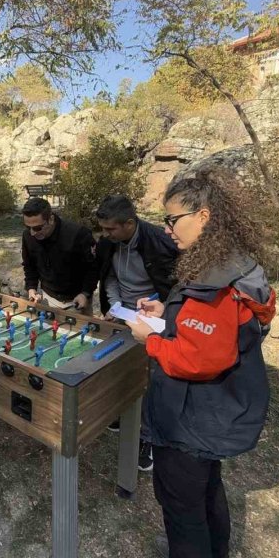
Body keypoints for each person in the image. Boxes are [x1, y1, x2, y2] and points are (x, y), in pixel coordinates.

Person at [125, 168, 276, 558]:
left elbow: (198, 359)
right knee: (208, 484)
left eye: (173, 220)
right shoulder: (233, 265)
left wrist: (150, 341)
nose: (168, 229)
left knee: (181, 508)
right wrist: (166, 313)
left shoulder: (214, 283)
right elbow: (208, 331)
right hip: (217, 412)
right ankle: (218, 551)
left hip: (193, 417)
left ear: (204, 217)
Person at [95, 194, 179, 470]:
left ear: (130, 224)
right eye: (103, 229)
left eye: (111, 229)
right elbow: (108, 277)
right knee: (118, 367)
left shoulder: (161, 242)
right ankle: (121, 414)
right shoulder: (110, 243)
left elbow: (177, 285)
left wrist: (162, 307)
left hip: (153, 317)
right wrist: (116, 303)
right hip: (121, 313)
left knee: (150, 379)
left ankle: (147, 437)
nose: (105, 235)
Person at [21, 197, 97, 313]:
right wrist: (31, 288)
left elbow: (93, 268)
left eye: (37, 228)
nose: (32, 233)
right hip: (48, 297)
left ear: (50, 219)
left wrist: (85, 293)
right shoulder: (28, 236)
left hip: (77, 300)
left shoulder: (78, 234)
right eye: (28, 227)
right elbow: (29, 264)